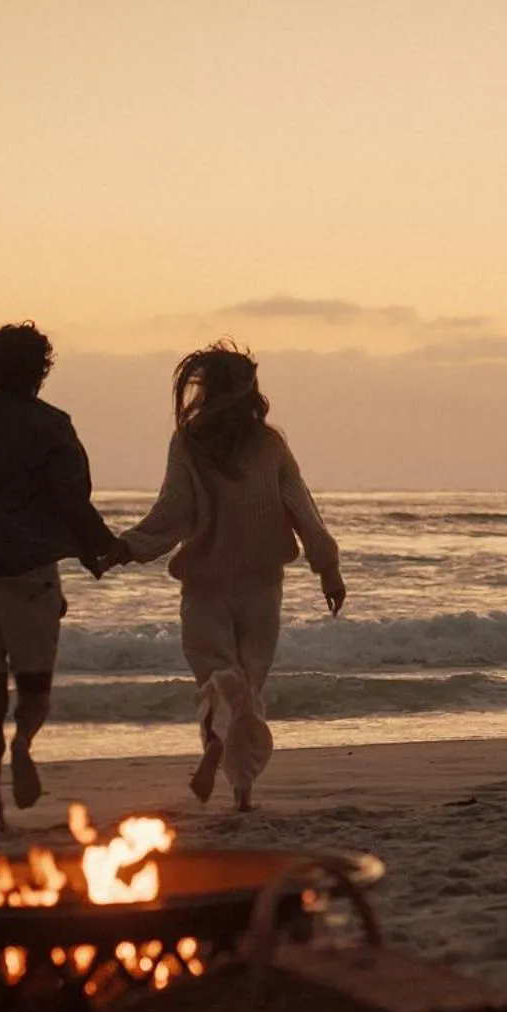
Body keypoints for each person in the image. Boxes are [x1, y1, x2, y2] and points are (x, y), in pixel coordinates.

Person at [104, 341, 345, 811]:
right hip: (260, 587)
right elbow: (302, 509)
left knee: (218, 680)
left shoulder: (189, 443)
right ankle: (243, 794)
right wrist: (327, 568)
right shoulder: (270, 443)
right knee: (249, 685)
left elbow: (172, 513)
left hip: (206, 589)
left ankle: (214, 748)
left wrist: (126, 548)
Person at [0, 322, 116, 830]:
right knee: (34, 692)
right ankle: (25, 745)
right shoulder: (52, 426)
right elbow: (71, 502)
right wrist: (104, 547)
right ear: (40, 371)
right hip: (29, 575)